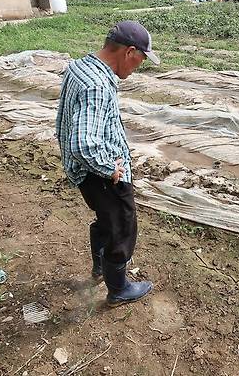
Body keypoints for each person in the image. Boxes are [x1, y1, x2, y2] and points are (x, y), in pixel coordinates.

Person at [55, 21, 160, 307]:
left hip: (84, 173)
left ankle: (100, 267)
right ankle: (118, 289)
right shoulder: (98, 86)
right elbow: (83, 143)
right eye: (141, 59)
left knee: (105, 219)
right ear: (129, 52)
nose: (139, 66)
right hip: (102, 175)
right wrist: (109, 168)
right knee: (122, 226)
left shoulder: (81, 66)